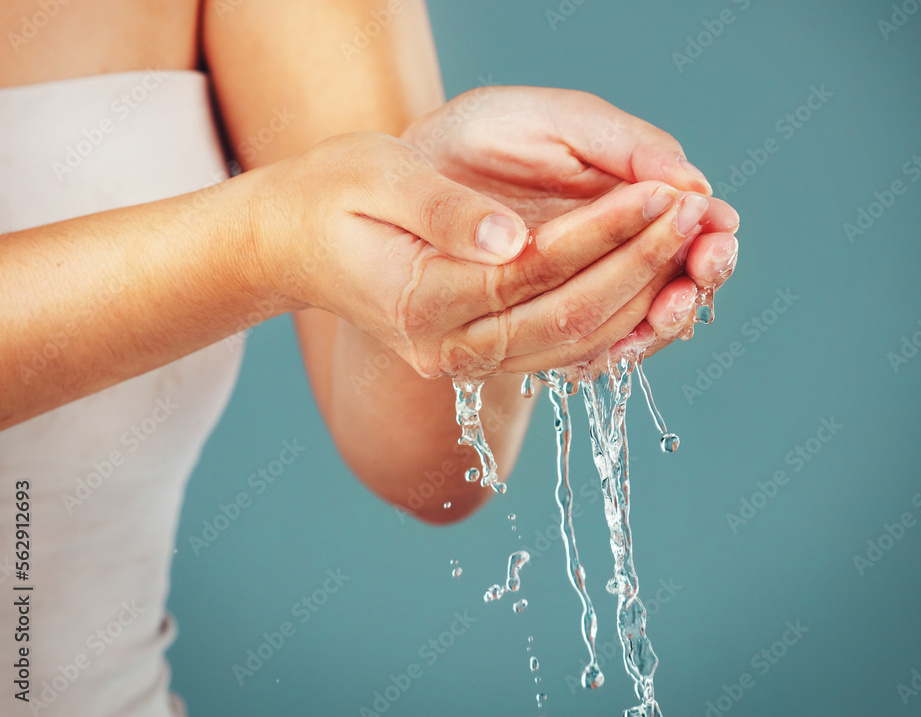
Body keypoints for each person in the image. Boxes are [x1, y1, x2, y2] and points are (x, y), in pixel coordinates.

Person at [0, 1, 739, 714]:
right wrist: (266, 239)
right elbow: (296, 225)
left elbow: (428, 470)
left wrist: (487, 273)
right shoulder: (273, 230)